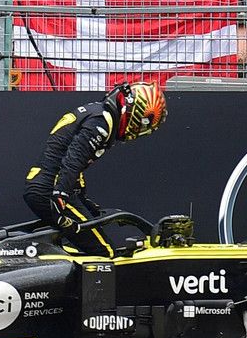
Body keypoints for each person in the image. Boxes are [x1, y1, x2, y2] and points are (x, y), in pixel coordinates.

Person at [23, 82, 167, 258]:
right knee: (105, 253)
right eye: (143, 126)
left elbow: (71, 163)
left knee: (89, 246)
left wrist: (86, 203)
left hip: (45, 186)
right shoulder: (102, 121)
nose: (139, 132)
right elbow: (73, 160)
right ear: (136, 115)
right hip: (50, 190)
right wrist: (60, 196)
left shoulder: (98, 112)